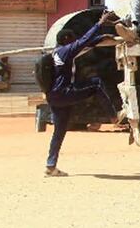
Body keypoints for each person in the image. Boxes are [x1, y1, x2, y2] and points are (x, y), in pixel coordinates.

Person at [43, 10, 124, 177]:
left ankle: (50, 166)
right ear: (67, 40)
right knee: (96, 84)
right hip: (65, 93)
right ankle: (114, 116)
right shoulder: (67, 51)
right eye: (72, 39)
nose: (75, 41)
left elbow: (85, 45)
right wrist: (100, 24)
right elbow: (83, 41)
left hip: (54, 97)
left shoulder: (58, 53)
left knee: (59, 132)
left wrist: (100, 39)